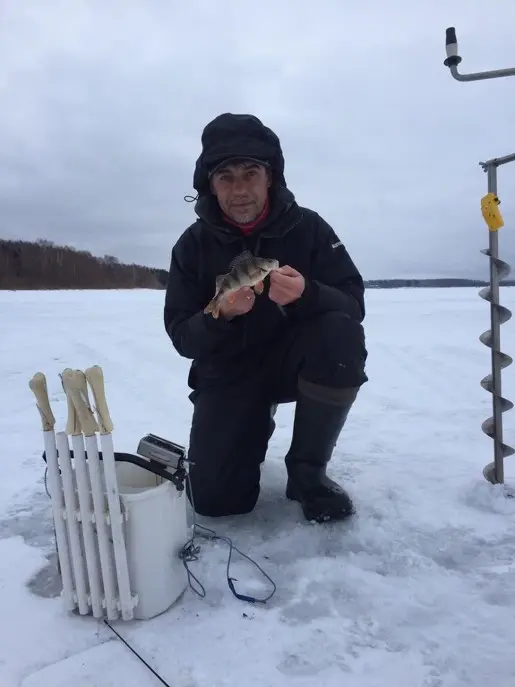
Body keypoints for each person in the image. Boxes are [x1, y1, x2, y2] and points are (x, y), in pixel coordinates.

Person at [164, 113, 368, 523]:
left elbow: (353, 303)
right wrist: (218, 316)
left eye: (250, 173)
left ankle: (308, 474)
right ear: (210, 184)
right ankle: (247, 423)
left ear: (270, 177)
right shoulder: (192, 246)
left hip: (294, 360)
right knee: (216, 502)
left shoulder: (308, 228)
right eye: (225, 176)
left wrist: (308, 293)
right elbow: (182, 336)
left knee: (339, 335)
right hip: (229, 371)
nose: (239, 189)